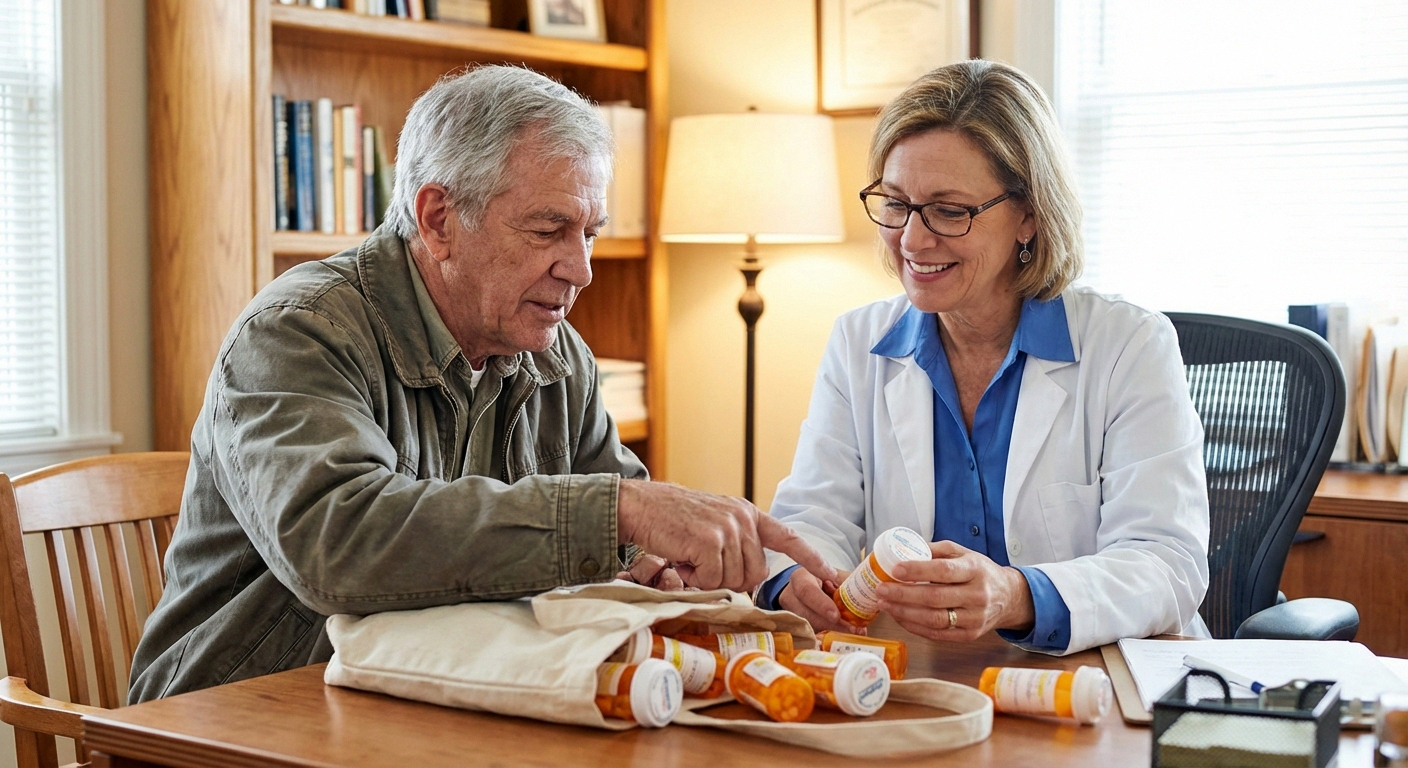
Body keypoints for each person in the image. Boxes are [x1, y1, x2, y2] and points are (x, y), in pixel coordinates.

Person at [129, 65, 833, 702]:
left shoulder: (560, 358)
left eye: (590, 232)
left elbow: (623, 534)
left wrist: (659, 566)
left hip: (423, 706)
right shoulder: (295, 331)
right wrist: (619, 516)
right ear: (439, 219)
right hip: (235, 715)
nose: (581, 268)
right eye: (550, 228)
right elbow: (338, 545)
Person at [757, 59, 1209, 655]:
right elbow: (816, 515)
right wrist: (795, 578)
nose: (914, 241)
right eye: (896, 204)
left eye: (950, 211)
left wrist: (1015, 595)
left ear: (1028, 214)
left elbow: (1166, 562)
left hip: (1096, 680)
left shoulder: (1128, 344)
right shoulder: (857, 341)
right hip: (917, 678)